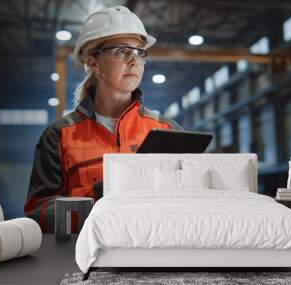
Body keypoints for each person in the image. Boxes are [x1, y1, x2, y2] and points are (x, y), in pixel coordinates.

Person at [24, 6, 182, 233]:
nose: (134, 60)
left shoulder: (167, 130)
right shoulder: (59, 136)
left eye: (139, 52)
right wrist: (99, 198)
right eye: (121, 51)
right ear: (94, 63)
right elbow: (37, 214)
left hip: (153, 252)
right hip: (85, 258)